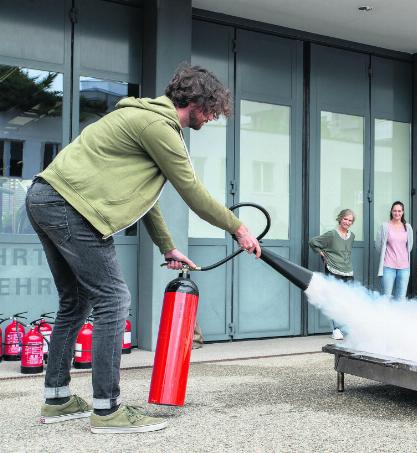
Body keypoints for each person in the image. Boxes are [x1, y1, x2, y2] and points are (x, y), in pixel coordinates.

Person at [26, 64, 261, 434]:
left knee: (76, 301)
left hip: (46, 198)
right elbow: (193, 192)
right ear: (197, 101)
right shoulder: (159, 128)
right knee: (113, 299)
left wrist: (168, 247)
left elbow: (146, 200)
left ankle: (58, 398)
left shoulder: (141, 119)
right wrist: (239, 228)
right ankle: (108, 410)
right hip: (71, 207)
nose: (214, 117)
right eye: (213, 109)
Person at [309, 208, 356, 340]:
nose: (347, 222)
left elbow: (346, 252)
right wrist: (322, 253)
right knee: (334, 299)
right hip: (333, 270)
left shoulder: (352, 236)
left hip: (348, 270)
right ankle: (335, 329)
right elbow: (313, 242)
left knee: (349, 300)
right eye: (345, 219)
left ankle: (347, 328)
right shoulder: (332, 234)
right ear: (340, 219)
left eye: (350, 220)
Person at [375, 201, 414, 299]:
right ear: (391, 212)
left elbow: (410, 245)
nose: (397, 213)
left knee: (401, 297)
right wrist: (386, 255)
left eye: (399, 211)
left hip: (404, 268)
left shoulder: (407, 227)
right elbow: (378, 246)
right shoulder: (385, 226)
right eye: (395, 211)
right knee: (386, 296)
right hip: (388, 266)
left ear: (403, 212)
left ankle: (398, 314)